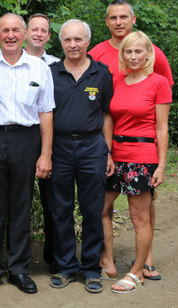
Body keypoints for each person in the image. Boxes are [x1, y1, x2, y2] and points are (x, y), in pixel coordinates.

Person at [90, 0, 173, 281]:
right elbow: (103, 109)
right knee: (102, 206)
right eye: (113, 17)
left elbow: (161, 119)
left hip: (143, 152)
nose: (119, 22)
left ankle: (143, 263)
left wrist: (162, 164)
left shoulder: (155, 61)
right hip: (115, 150)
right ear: (107, 22)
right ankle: (107, 258)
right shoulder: (100, 55)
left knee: (142, 211)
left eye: (124, 17)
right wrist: (107, 150)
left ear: (133, 19)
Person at [0, 13, 54, 295]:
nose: (10, 35)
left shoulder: (39, 68)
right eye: (4, 30)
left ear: (24, 34)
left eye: (15, 30)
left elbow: (46, 113)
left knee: (21, 207)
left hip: (26, 139)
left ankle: (19, 269)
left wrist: (46, 154)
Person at [47, 20, 114, 294]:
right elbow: (45, 114)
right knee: (60, 210)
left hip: (91, 149)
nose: (72, 45)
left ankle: (90, 269)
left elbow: (108, 113)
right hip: (60, 149)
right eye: (67, 40)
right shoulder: (51, 73)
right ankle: (65, 267)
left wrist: (107, 151)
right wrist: (46, 152)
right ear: (60, 43)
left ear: (88, 41)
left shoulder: (101, 73)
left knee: (92, 211)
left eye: (78, 39)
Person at [24, 13, 60, 274]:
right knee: (18, 202)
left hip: (51, 140)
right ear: (26, 32)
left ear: (49, 35)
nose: (38, 33)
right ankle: (18, 259)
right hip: (20, 139)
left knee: (54, 201)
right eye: (34, 29)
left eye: (43, 30)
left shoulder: (57, 66)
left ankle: (55, 257)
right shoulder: (8, 60)